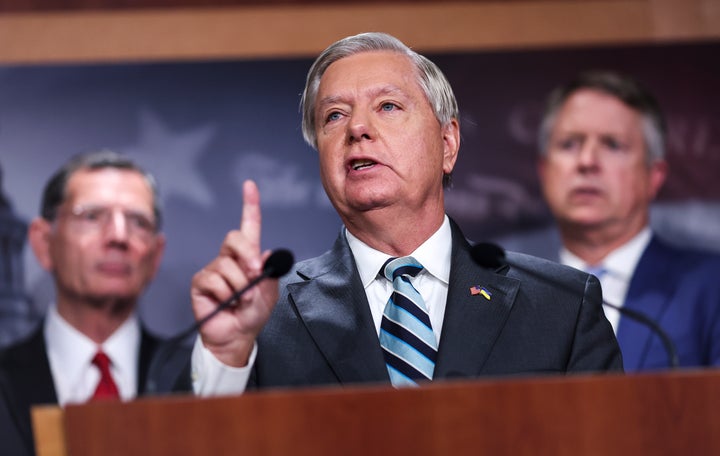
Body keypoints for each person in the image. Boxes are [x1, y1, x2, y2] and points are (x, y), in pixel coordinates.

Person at [189, 32, 622, 396]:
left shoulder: (561, 306)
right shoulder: (263, 318)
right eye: (334, 115)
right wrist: (227, 358)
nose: (357, 128)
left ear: (448, 144)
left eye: (388, 107)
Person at [0, 150, 188, 456]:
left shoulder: (195, 377)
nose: (118, 236)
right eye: (91, 216)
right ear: (44, 243)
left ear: (156, 255)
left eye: (138, 221)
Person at [537, 70, 720, 371]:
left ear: (654, 175)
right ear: (544, 170)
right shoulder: (502, 289)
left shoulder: (710, 286)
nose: (586, 161)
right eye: (569, 144)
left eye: (612, 145)